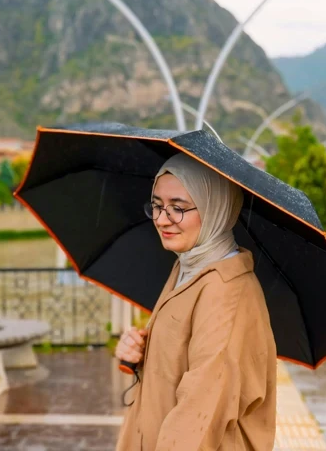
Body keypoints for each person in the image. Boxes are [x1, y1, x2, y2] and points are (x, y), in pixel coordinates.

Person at [114, 153, 277, 450]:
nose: (163, 220)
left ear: (216, 208)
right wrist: (140, 352)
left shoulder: (225, 291)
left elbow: (200, 413)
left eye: (178, 208)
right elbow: (181, 362)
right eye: (157, 206)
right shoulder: (188, 267)